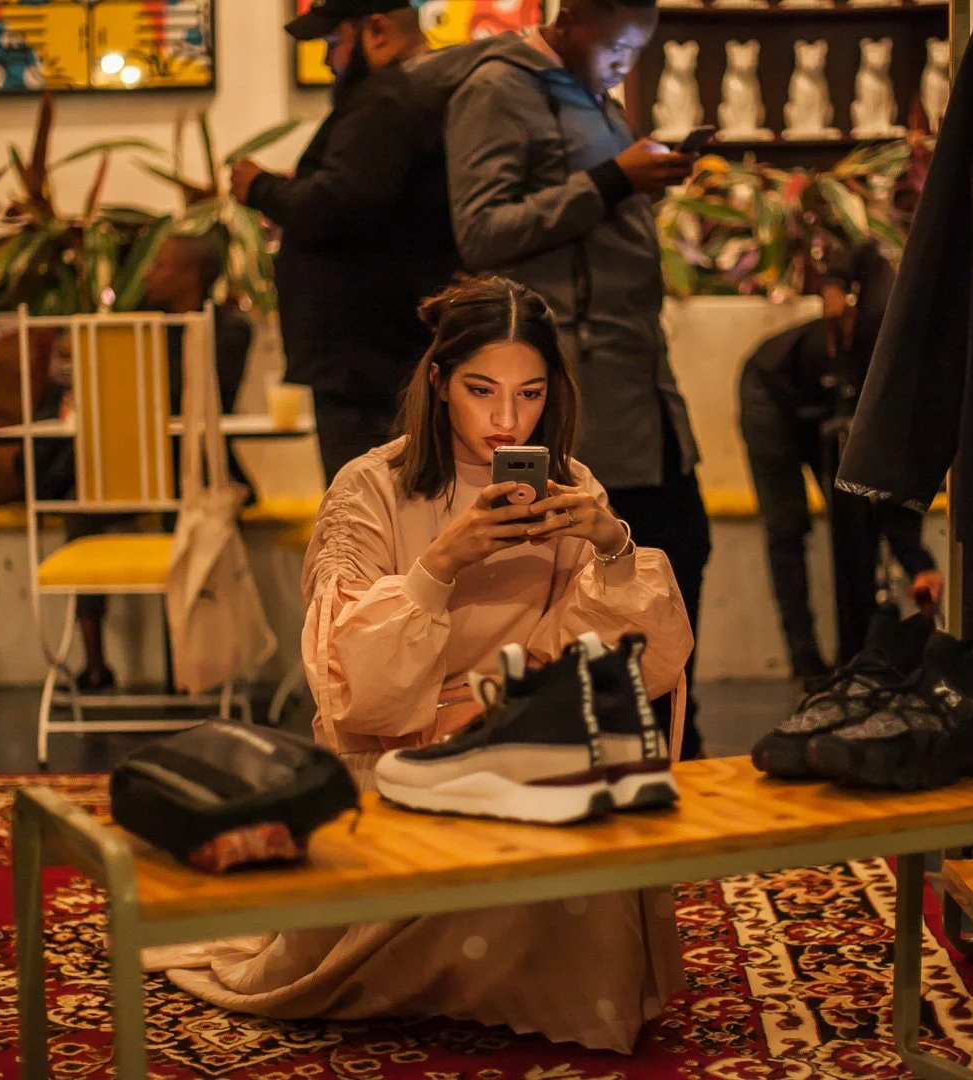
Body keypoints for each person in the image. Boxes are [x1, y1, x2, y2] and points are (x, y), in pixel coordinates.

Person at [145, 276, 693, 1052]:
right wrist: (441, 564)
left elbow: (633, 664)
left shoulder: (571, 486)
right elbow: (347, 684)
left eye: (531, 393)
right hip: (400, 756)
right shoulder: (370, 488)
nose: (508, 421)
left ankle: (542, 981)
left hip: (518, 744)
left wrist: (612, 545)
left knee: (586, 802)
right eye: (481, 390)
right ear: (439, 384)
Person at [440, 0, 710, 757]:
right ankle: (623, 753)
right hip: (580, 394)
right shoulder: (498, 88)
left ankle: (672, 747)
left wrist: (637, 178)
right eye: (617, 46)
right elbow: (482, 230)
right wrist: (615, 180)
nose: (626, 65)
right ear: (571, 20)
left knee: (676, 559)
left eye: (637, 50)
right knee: (604, 583)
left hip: (639, 381)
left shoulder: (590, 95)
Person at [229, 0, 460, 483]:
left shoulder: (386, 100)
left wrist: (260, 188)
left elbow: (340, 203)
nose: (327, 59)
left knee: (364, 504)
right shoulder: (409, 94)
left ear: (376, 29)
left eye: (334, 42)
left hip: (367, 363)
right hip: (377, 353)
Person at [739, 242, 943, 683]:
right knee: (788, 525)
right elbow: (864, 248)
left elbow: (892, 482)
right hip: (770, 390)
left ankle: (858, 655)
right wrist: (833, 286)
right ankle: (804, 661)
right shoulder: (892, 310)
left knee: (854, 514)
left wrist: (920, 564)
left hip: (832, 406)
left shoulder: (922, 382)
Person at [59, 234, 253, 693]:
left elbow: (207, 400)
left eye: (161, 265)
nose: (147, 274)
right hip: (137, 468)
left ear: (191, 276)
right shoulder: (136, 326)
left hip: (198, 468)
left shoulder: (228, 329)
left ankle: (186, 669)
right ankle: (95, 664)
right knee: (79, 506)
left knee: (188, 516)